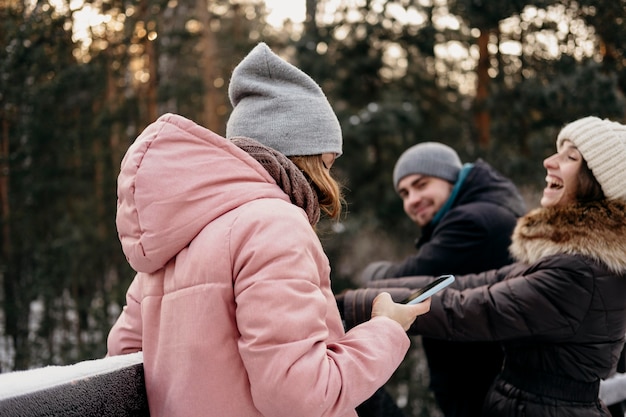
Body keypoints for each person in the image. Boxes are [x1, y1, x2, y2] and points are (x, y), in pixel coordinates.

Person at [106, 42, 430, 417]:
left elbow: (125, 360)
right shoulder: (274, 225)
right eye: (327, 161)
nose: (330, 177)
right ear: (303, 155)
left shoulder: (176, 237)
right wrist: (386, 330)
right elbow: (301, 395)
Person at [341, 116, 626, 417]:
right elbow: (470, 284)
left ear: (598, 181)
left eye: (570, 157)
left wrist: (354, 304)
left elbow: (469, 307)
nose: (549, 161)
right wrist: (355, 299)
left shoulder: (579, 272)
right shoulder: (573, 260)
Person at [356, 142, 527, 417]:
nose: (412, 199)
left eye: (421, 185)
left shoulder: (474, 221)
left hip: (485, 385)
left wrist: (371, 273)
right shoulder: (485, 210)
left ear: (451, 179)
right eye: (404, 192)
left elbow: (408, 277)